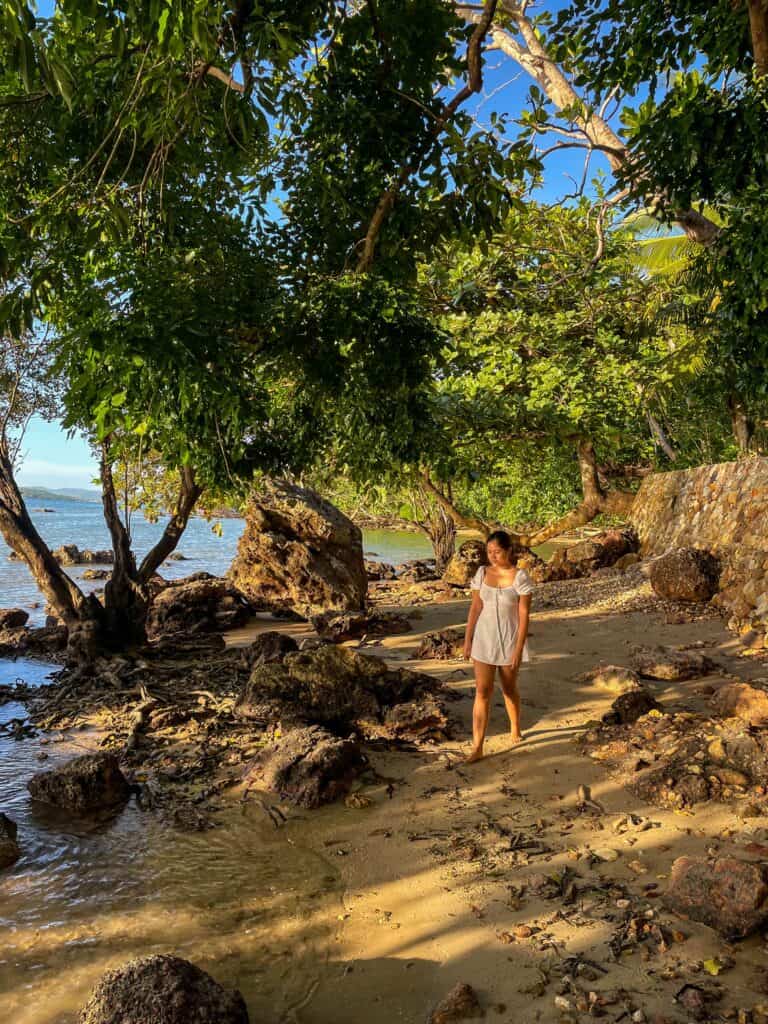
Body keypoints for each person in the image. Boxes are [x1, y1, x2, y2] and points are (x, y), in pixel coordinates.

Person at [462, 530, 533, 763]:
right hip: (484, 639)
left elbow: (524, 616)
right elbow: (474, 608)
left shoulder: (520, 577)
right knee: (482, 691)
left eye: (497, 552)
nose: (492, 556)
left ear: (509, 550)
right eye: (489, 551)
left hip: (510, 640)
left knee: (509, 688)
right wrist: (467, 640)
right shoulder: (481, 573)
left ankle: (515, 726)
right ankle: (477, 746)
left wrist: (519, 648)